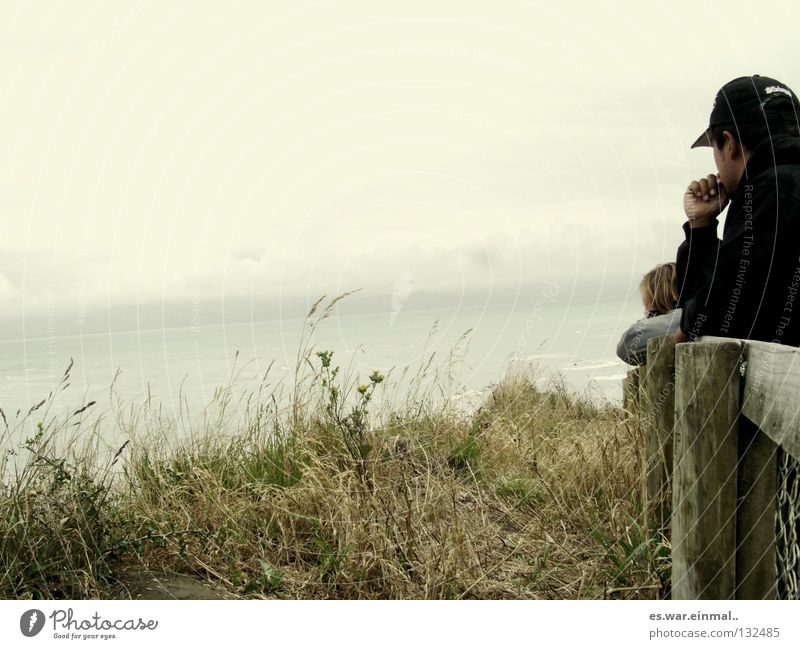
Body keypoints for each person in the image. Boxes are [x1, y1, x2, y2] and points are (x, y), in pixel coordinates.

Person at [675, 75, 800, 346]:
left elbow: (715, 316)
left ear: (729, 144)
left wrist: (700, 231)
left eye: (715, 149)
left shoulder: (772, 194)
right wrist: (702, 227)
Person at [617, 262, 682, 365]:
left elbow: (625, 349)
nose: (645, 313)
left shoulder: (684, 319)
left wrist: (651, 315)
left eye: (647, 306)